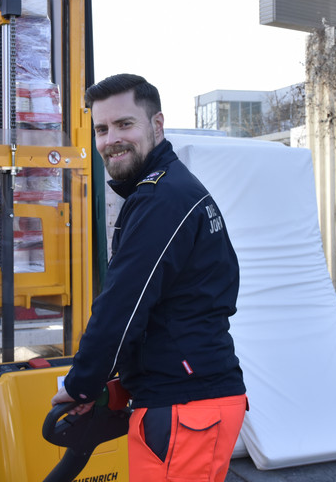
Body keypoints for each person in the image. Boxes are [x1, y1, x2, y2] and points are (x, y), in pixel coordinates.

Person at [51, 74, 247, 481]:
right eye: (102, 129)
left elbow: (123, 306)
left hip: (186, 405)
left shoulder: (163, 198)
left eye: (125, 124)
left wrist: (82, 385)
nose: (110, 140)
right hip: (183, 398)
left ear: (156, 125)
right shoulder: (166, 190)